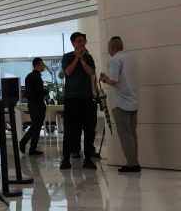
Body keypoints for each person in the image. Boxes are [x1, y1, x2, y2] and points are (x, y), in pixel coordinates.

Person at [100, 37, 140, 173]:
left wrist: (105, 79)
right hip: (133, 101)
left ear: (111, 48)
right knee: (132, 133)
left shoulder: (115, 60)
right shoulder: (132, 59)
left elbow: (114, 81)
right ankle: (134, 161)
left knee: (125, 134)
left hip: (121, 103)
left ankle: (132, 163)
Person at [60, 33, 97, 170]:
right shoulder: (67, 57)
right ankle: (65, 158)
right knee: (70, 129)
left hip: (86, 98)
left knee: (89, 129)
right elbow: (68, 72)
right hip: (71, 98)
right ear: (73, 43)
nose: (82, 43)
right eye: (79, 41)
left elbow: (90, 72)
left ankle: (88, 158)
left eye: (84, 41)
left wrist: (82, 58)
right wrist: (76, 57)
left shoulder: (88, 58)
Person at [19, 58, 47, 156]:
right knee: (36, 126)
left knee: (35, 125)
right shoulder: (37, 77)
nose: (43, 66)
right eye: (42, 64)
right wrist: (46, 91)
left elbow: (29, 92)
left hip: (31, 104)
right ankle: (28, 145)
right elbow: (39, 92)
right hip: (37, 104)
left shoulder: (28, 77)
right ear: (37, 66)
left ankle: (30, 146)